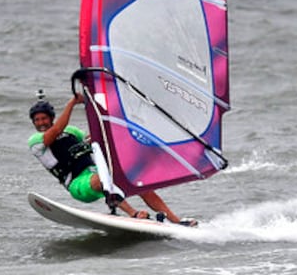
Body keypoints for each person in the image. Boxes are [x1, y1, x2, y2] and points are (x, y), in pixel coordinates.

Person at [27, 93, 194, 224]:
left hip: (96, 172)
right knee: (105, 179)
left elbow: (91, 140)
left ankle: (176, 220)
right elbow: (55, 132)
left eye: (44, 118)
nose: (41, 122)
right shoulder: (36, 142)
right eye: (37, 120)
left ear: (51, 118)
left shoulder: (71, 132)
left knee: (137, 182)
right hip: (78, 184)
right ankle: (133, 213)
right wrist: (72, 103)